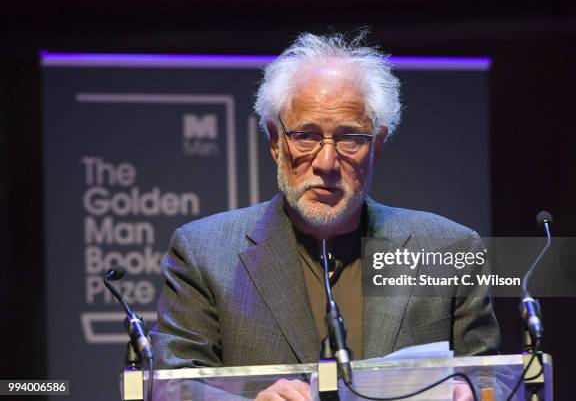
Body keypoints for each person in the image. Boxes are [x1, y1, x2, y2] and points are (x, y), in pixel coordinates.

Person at [150, 32, 500, 401]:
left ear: (377, 144)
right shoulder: (204, 252)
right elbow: (175, 389)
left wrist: (473, 391)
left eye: (350, 138)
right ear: (274, 140)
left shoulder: (448, 248)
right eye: (305, 135)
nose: (327, 162)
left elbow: (494, 380)